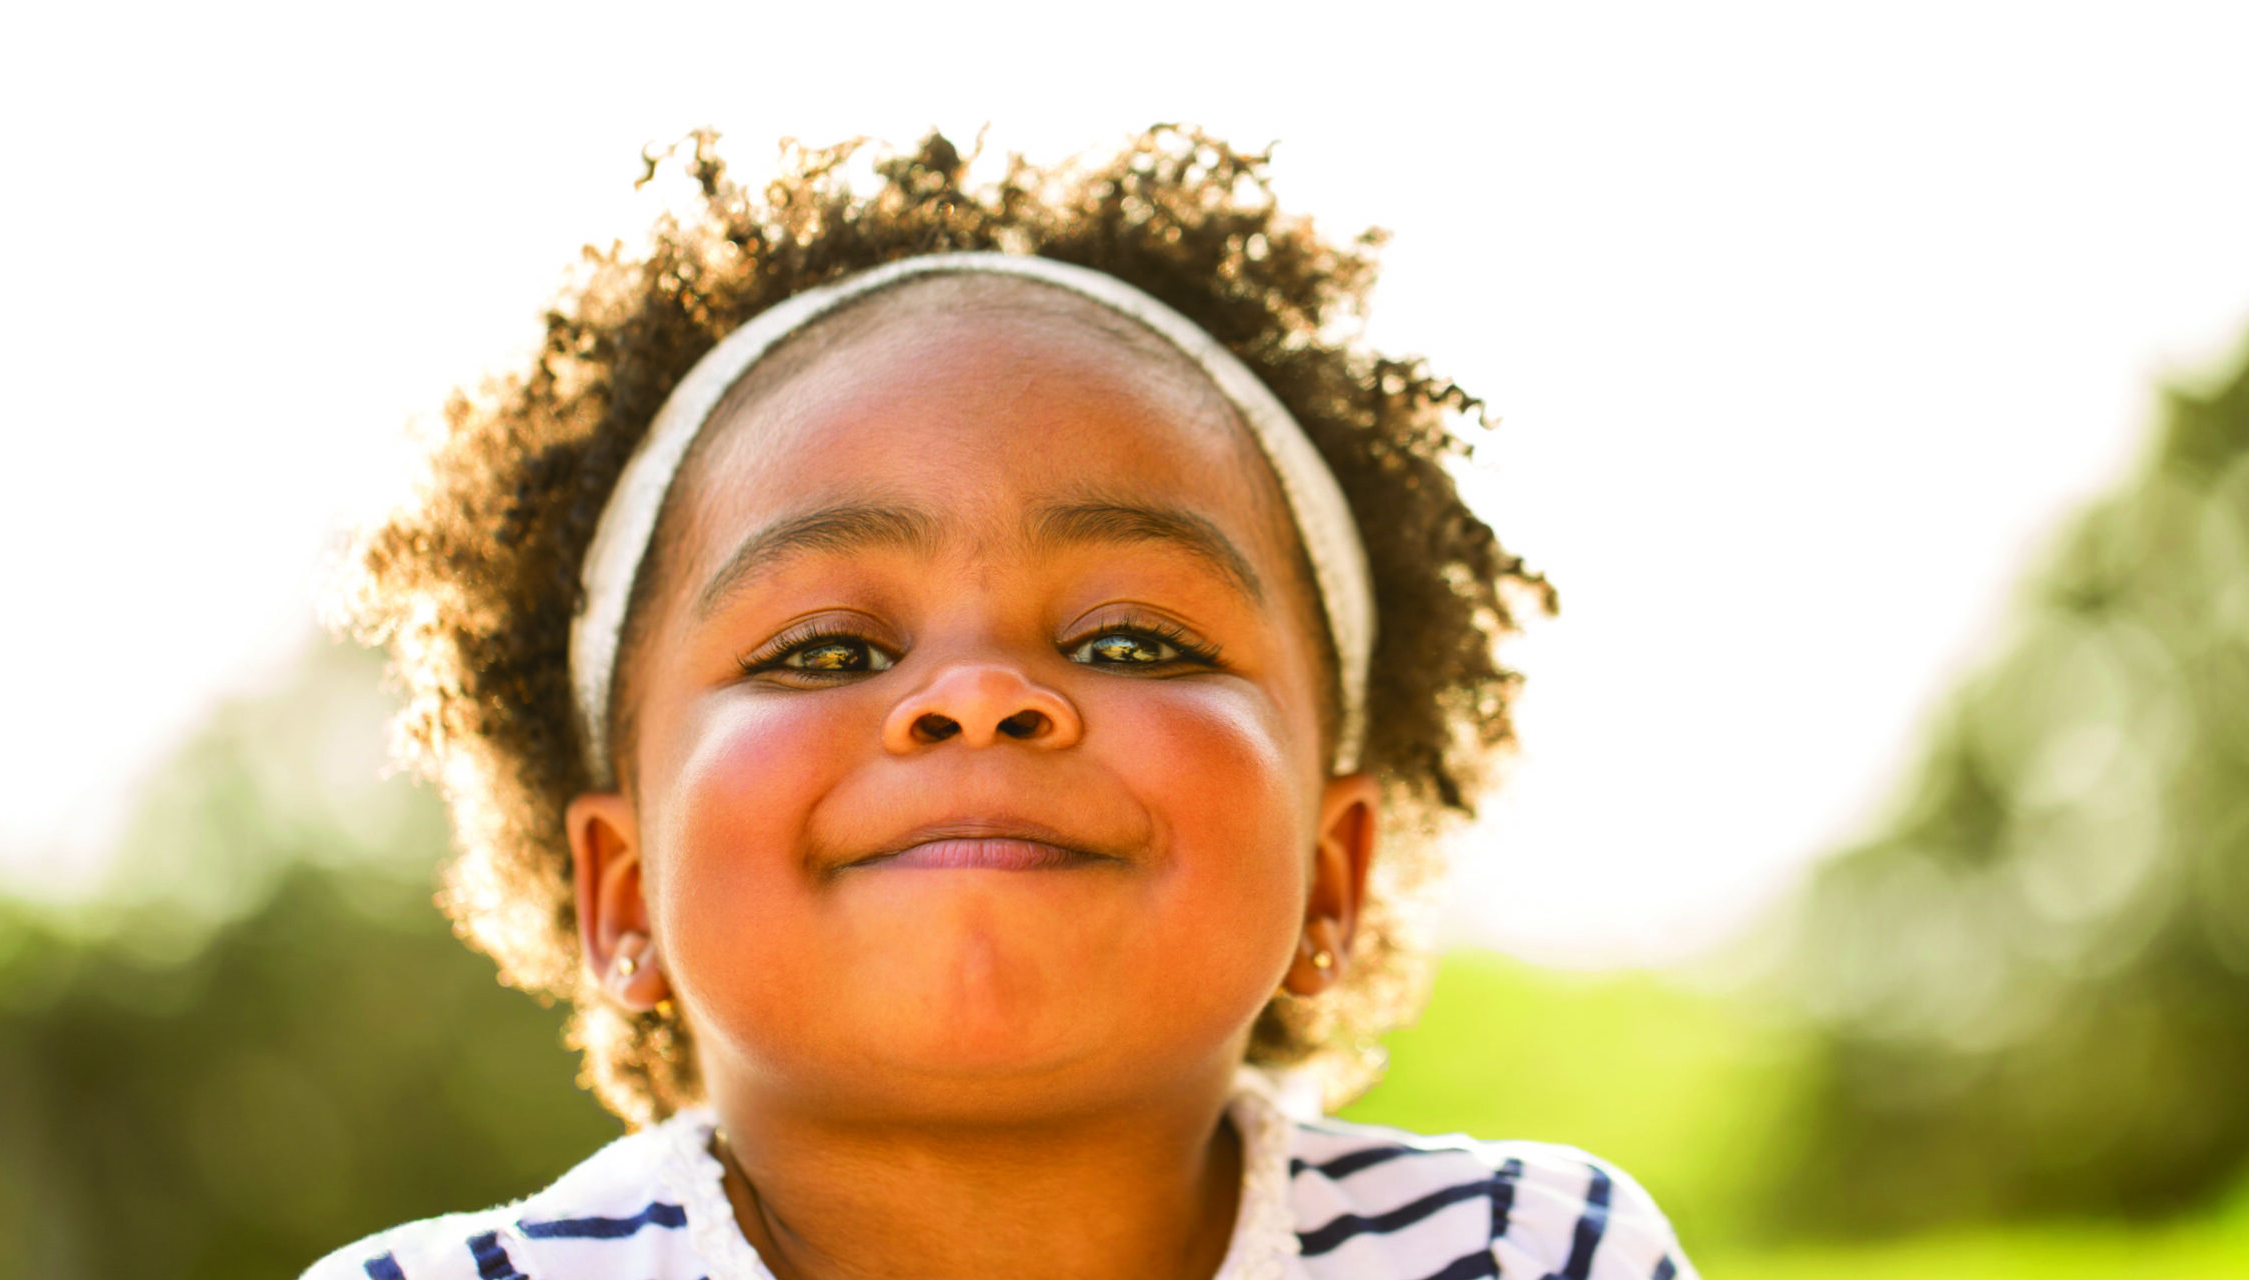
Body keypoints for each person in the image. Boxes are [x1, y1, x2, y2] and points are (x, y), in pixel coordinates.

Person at [308, 127, 1695, 1280]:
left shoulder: (1526, 1254)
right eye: (829, 651)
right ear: (622, 895)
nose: (981, 697)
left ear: (1334, 876)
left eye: (1139, 641)